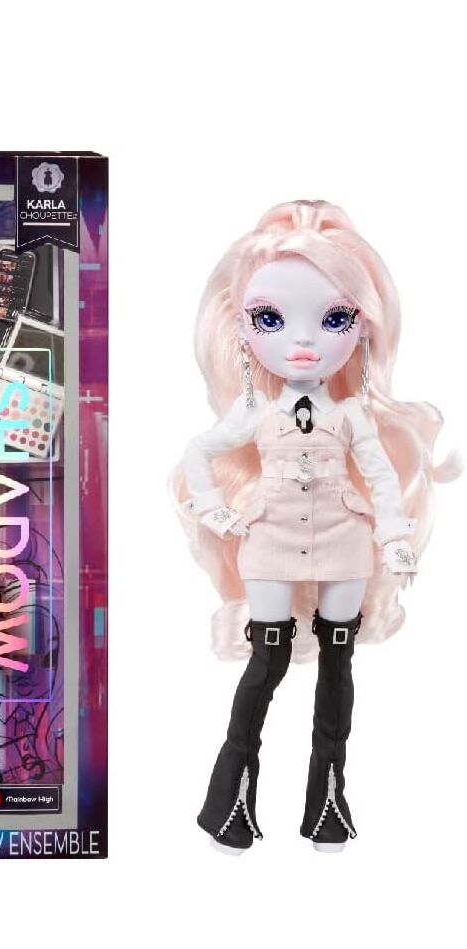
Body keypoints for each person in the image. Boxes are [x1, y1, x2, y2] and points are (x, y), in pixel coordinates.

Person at [174, 201, 459, 853]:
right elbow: (198, 452)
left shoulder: (352, 415)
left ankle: (327, 802)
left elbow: (380, 477)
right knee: (265, 661)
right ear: (240, 329)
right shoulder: (255, 413)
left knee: (338, 664)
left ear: (363, 329)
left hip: (344, 540)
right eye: (269, 319)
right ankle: (230, 802)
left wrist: (394, 536)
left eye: (334, 319)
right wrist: (214, 510)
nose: (301, 342)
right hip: (268, 539)